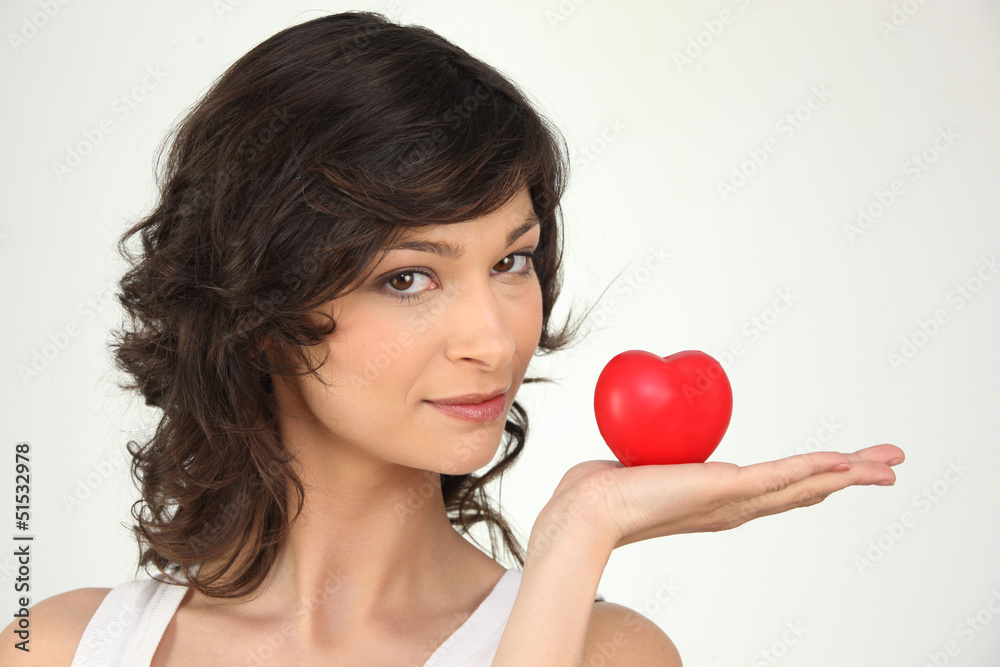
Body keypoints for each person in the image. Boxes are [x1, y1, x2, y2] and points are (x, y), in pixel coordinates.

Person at [2, 10, 903, 666]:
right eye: (408, 278)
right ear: (257, 313)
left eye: (513, 262)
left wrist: (577, 537)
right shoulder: (55, 647)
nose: (495, 338)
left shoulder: (607, 652)